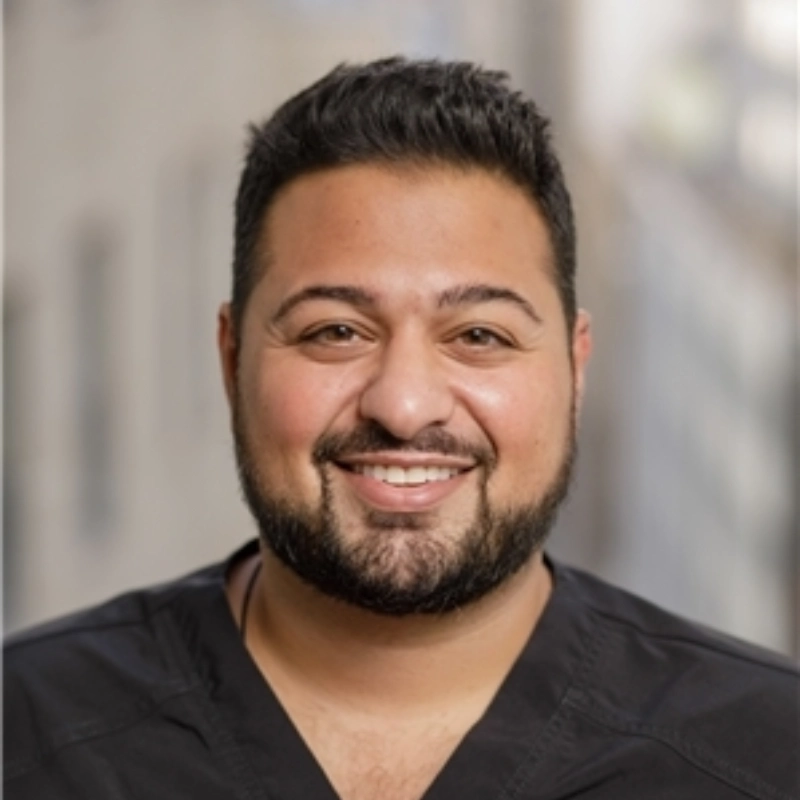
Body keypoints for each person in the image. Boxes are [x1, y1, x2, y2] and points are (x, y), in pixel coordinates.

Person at [4, 57, 798, 800]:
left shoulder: (768, 753)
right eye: (335, 332)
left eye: (480, 337)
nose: (405, 405)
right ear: (232, 359)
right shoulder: (26, 734)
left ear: (574, 368)